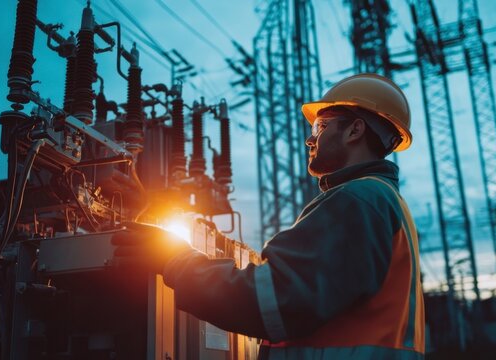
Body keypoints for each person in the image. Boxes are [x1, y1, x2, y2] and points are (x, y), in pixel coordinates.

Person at [113, 73, 425, 359]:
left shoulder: (358, 200)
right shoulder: (382, 202)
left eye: (320, 126)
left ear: (355, 130)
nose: (310, 139)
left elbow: (276, 298)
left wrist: (176, 261)